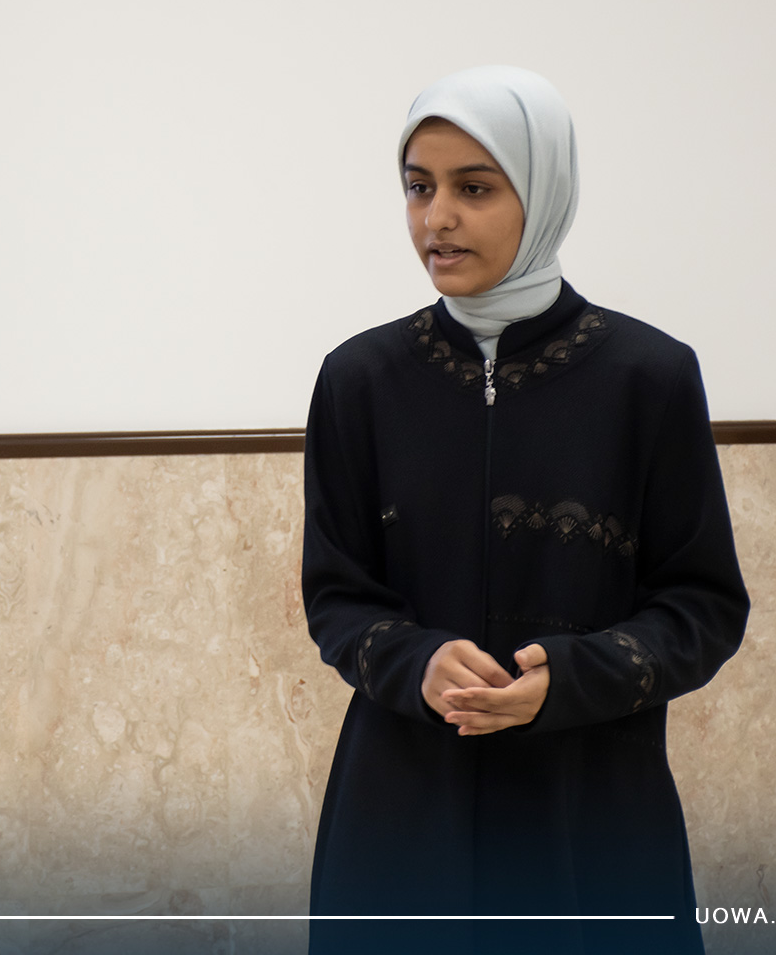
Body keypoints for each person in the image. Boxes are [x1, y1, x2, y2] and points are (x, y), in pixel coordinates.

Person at [300, 66, 749, 955]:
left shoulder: (648, 378)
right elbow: (336, 597)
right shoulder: (360, 381)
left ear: (542, 195)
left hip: (590, 815)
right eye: (419, 187)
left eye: (474, 188)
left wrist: (572, 678)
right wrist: (418, 664)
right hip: (402, 816)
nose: (437, 218)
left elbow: (703, 607)